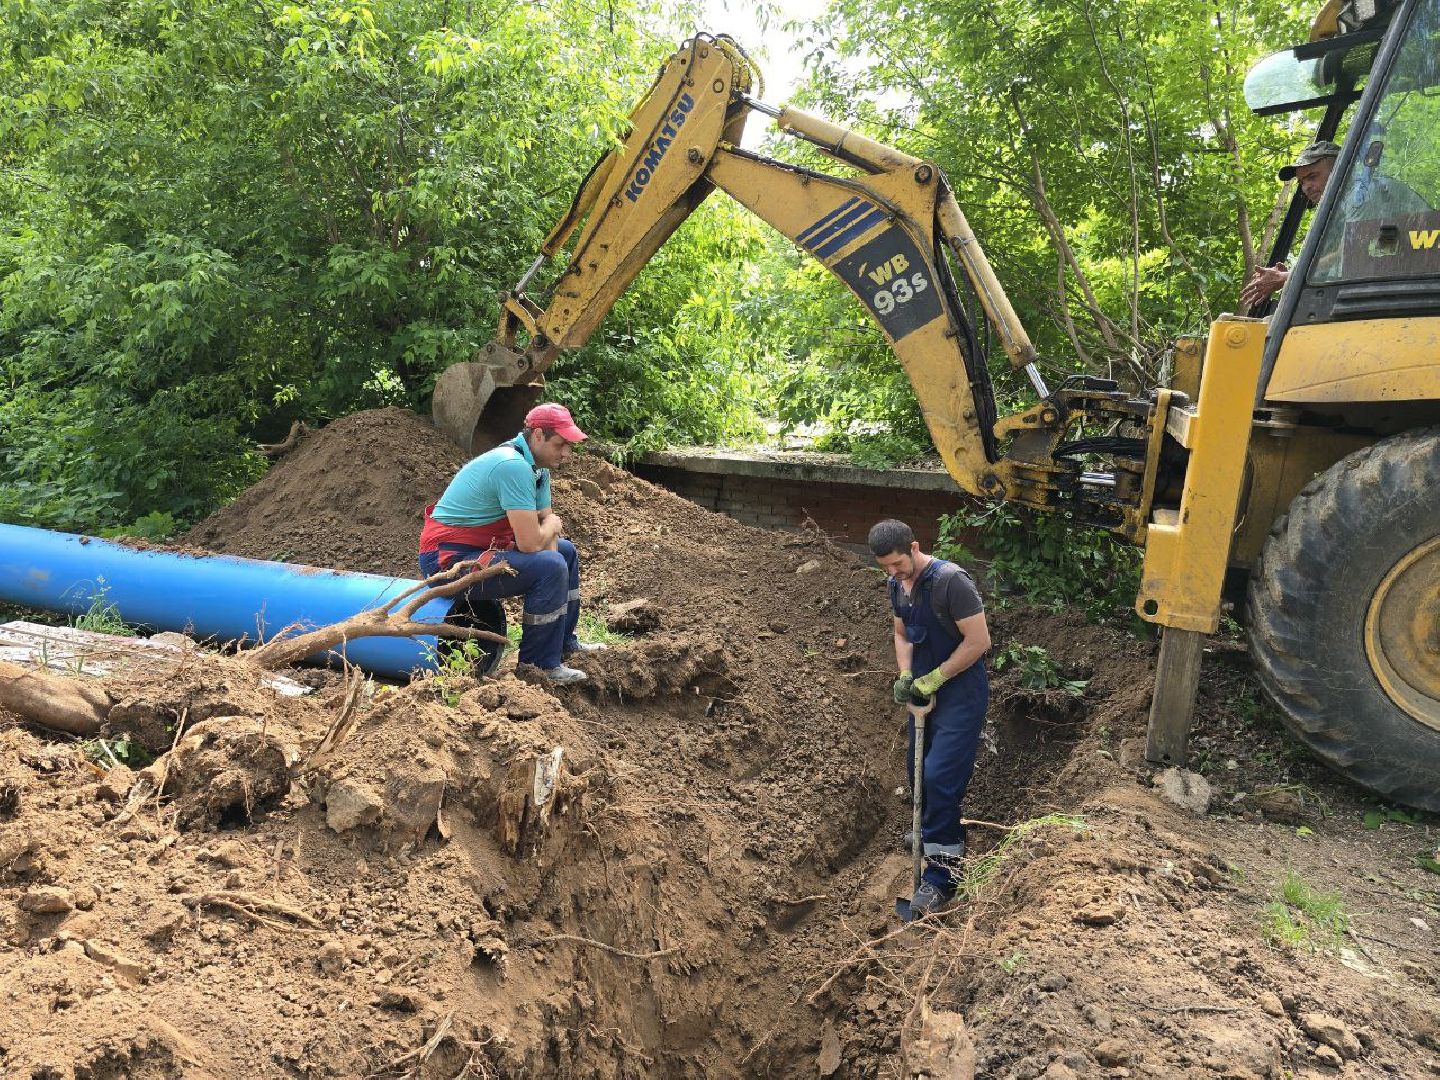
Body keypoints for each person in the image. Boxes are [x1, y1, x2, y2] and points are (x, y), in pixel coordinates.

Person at [418, 402, 604, 685]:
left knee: (564, 554)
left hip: (480, 551)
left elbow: (548, 539)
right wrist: (549, 545)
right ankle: (537, 668)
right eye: (561, 444)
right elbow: (531, 543)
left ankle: (562, 644)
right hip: (447, 560)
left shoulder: (538, 470)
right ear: (538, 435)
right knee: (551, 565)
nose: (567, 453)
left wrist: (551, 566)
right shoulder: (513, 466)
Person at [869, 519, 992, 919]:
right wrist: (907, 675)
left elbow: (979, 642)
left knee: (940, 775)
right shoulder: (896, 586)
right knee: (916, 769)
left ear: (915, 547)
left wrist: (937, 677)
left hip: (959, 693)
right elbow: (903, 634)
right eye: (885, 567)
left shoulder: (951, 582)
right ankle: (930, 833)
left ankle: (943, 873)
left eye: (898, 565)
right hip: (925, 688)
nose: (893, 573)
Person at [1241, 139, 1432, 306]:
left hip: (1420, 289)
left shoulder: (1363, 194)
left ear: (1340, 169)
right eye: (1301, 182)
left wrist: (1285, 277)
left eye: (1312, 177)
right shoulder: (1340, 207)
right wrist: (1293, 273)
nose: (1306, 187)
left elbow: (1351, 252)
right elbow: (1340, 254)